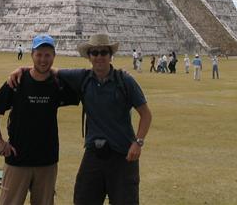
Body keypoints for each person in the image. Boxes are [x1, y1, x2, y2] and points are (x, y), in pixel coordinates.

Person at [12, 34, 152, 204]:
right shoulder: (83, 77)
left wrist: (138, 142)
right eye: (95, 53)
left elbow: (146, 114)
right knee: (83, 199)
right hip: (94, 153)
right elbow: (47, 69)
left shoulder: (125, 81)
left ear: (110, 55)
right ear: (89, 56)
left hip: (123, 155)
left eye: (103, 52)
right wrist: (23, 70)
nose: (99, 57)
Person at [0, 34, 79, 205]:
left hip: (47, 160)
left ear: (54, 56)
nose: (43, 59)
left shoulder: (58, 84)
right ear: (32, 55)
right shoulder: (17, 81)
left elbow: (85, 81)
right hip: (17, 158)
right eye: (39, 54)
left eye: (47, 55)